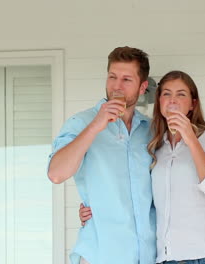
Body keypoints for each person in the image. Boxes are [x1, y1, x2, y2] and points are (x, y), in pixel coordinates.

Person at [81, 70, 205, 264]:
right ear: (159, 102)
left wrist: (191, 139)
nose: (173, 100)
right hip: (166, 257)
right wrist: (96, 209)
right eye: (166, 94)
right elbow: (140, 194)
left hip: (204, 255)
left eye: (181, 94)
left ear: (193, 104)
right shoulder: (156, 144)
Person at [48, 46, 156, 264]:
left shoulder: (151, 130)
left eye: (127, 79)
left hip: (148, 256)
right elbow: (56, 174)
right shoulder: (81, 123)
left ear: (142, 86)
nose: (117, 86)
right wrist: (96, 125)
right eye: (112, 77)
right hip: (100, 255)